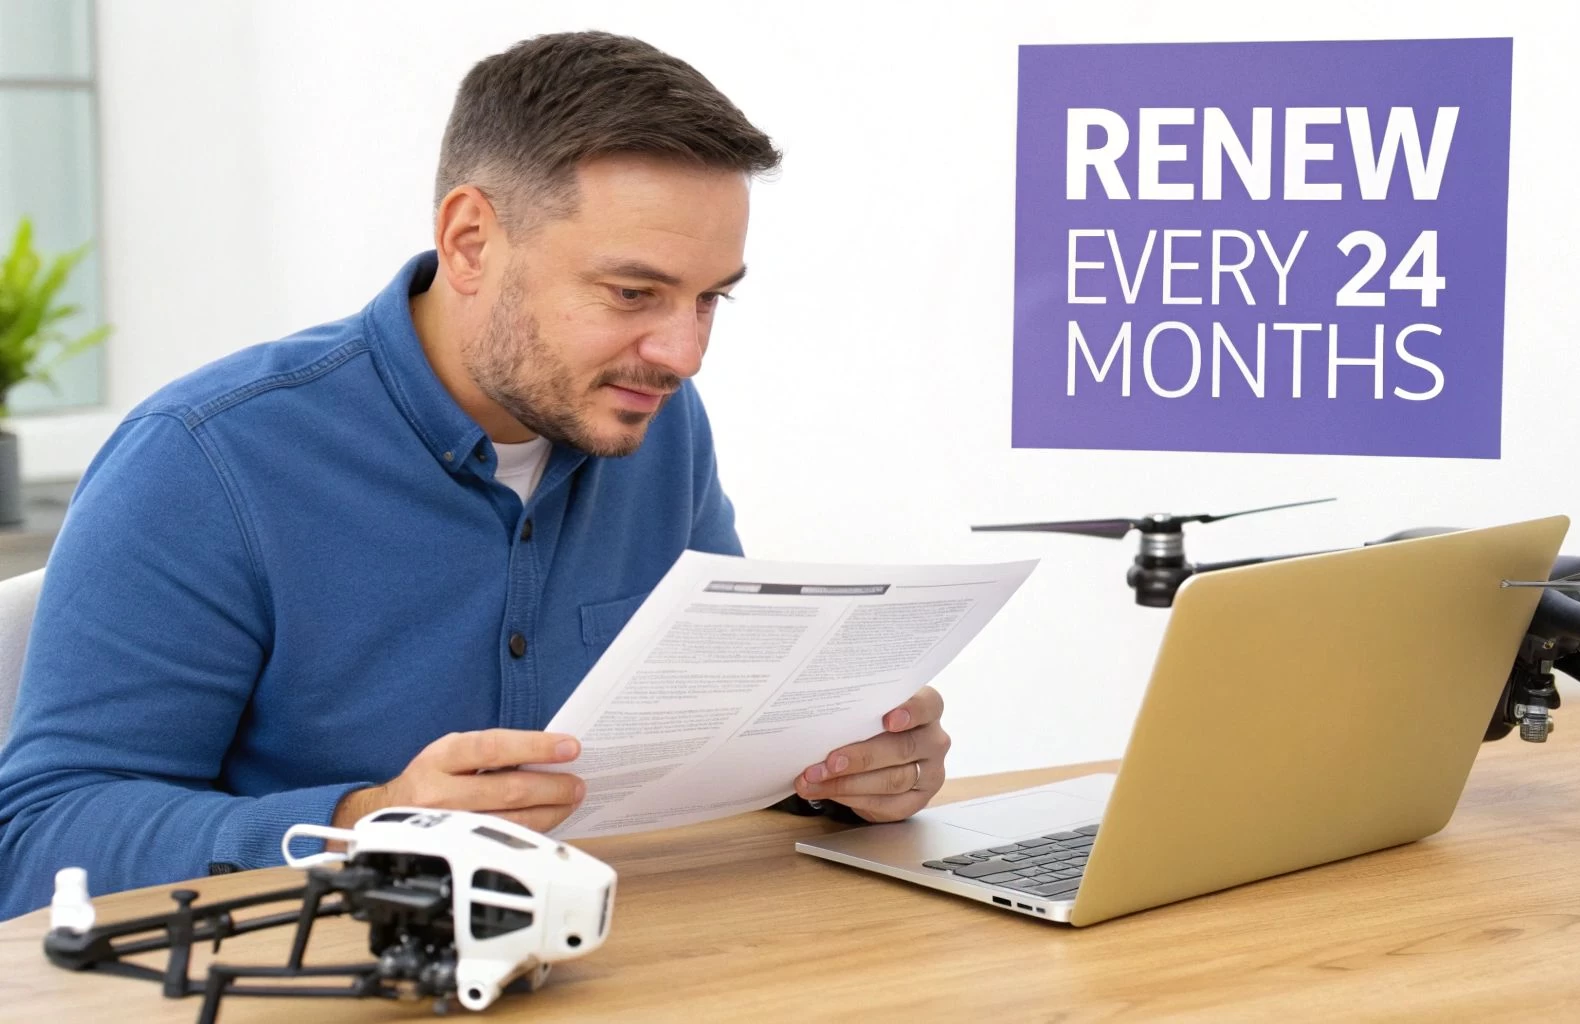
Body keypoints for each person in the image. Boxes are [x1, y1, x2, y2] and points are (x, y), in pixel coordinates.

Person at [0, 31, 950, 920]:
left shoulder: (657, 420)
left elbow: (710, 731)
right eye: (633, 293)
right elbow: (38, 842)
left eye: (711, 299)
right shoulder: (204, 459)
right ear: (468, 242)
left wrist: (837, 774)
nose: (683, 352)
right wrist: (365, 827)